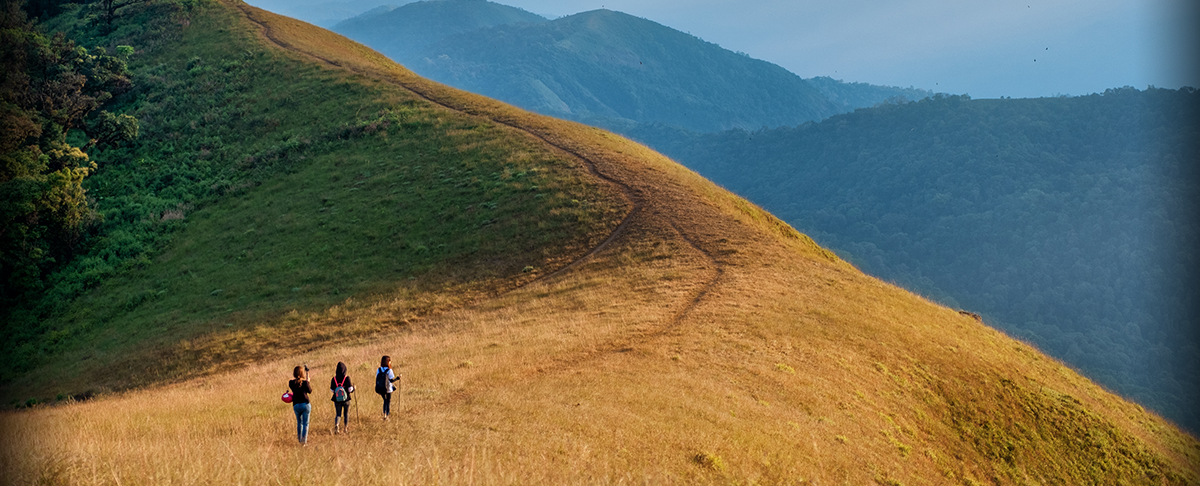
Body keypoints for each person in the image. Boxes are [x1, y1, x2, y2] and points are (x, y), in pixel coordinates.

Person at [289, 365, 313, 445]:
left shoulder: (291, 383)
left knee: (299, 422)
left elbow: (296, 384)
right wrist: (308, 381)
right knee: (306, 423)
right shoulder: (305, 383)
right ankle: (304, 442)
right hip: (305, 404)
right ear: (302, 373)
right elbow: (310, 391)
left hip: (296, 405)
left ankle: (299, 440)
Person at [330, 361, 354, 434]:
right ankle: (345, 428)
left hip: (337, 400)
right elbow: (350, 389)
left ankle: (337, 425)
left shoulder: (334, 379)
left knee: (338, 414)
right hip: (346, 399)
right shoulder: (347, 378)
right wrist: (354, 388)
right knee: (346, 413)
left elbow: (332, 390)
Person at [375, 355, 400, 420]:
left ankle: (384, 414)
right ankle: (387, 415)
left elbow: (377, 378)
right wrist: (397, 378)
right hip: (388, 388)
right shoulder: (389, 370)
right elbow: (391, 380)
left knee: (384, 401)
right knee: (388, 401)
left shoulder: (379, 369)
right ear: (388, 362)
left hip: (380, 388)